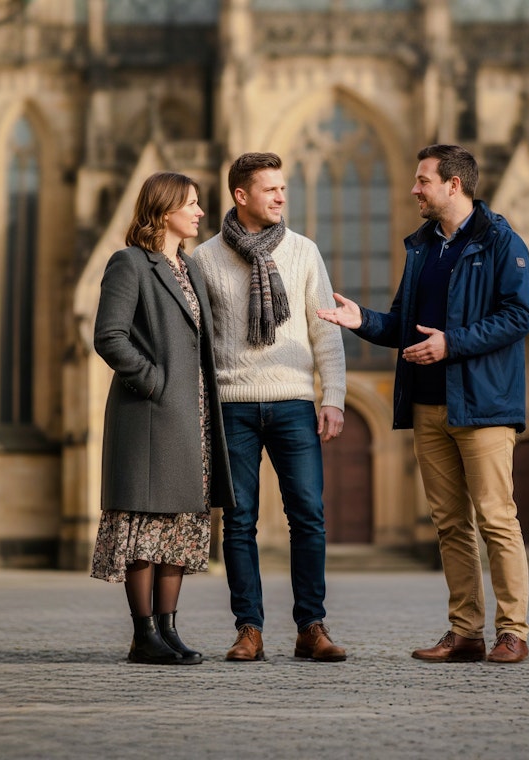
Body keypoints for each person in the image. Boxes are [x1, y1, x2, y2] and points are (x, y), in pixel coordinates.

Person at [317, 144, 529, 664]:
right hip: (428, 405)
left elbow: (519, 316)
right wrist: (362, 321)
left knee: (496, 519)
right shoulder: (422, 248)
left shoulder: (501, 241)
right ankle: (465, 631)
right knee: (449, 523)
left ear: (453, 184)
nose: (414, 189)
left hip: (483, 406)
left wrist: (451, 343)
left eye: (423, 180)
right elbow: (401, 324)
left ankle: (513, 631)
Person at [190, 152, 348, 662]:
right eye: (271, 189)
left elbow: (325, 330)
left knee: (308, 516)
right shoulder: (205, 259)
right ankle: (249, 629)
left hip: (294, 403)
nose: (282, 196)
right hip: (232, 405)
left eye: (283, 188)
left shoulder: (304, 252)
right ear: (241, 196)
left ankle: (311, 627)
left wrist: (335, 397)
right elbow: (201, 343)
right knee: (238, 523)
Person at [91, 171, 236, 665]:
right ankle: (143, 634)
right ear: (165, 208)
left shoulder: (191, 269)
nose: (199, 212)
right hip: (150, 411)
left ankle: (169, 629)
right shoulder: (129, 264)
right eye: (191, 204)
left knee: (178, 525)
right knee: (146, 523)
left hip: (191, 413)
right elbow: (109, 336)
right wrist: (153, 381)